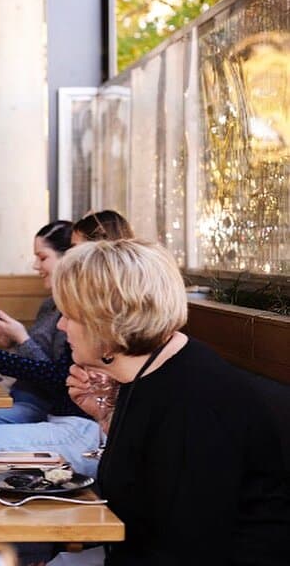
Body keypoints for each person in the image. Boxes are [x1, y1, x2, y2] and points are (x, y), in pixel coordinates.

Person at [55, 240, 289, 565]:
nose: (60, 325)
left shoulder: (195, 399)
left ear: (105, 323)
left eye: (69, 316)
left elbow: (186, 546)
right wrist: (108, 417)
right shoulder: (150, 373)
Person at [0, 220, 82, 423]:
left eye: (42, 257)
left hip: (40, 406)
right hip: (19, 394)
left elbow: (57, 377)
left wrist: (21, 338)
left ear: (68, 257)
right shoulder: (50, 304)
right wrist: (12, 342)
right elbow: (33, 363)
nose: (35, 265)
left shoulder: (75, 312)